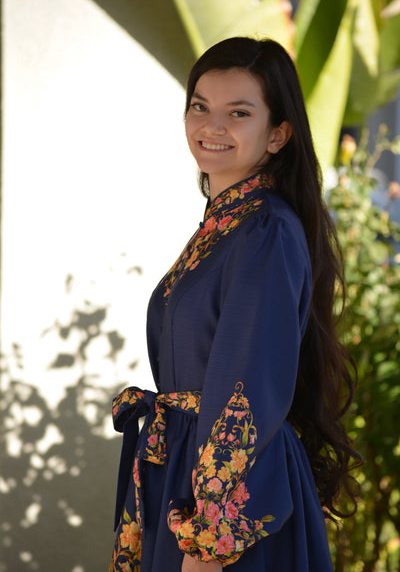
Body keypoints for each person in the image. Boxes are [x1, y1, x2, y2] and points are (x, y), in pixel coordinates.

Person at [109, 37, 361, 572]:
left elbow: (243, 392)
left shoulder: (264, 228)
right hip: (184, 473)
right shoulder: (225, 223)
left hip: (225, 503)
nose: (211, 126)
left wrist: (209, 542)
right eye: (200, 106)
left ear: (278, 134)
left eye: (238, 113)